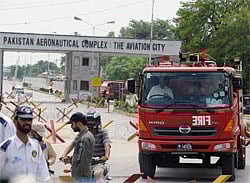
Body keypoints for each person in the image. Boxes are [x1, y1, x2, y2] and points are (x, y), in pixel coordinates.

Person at [0, 106, 50, 183]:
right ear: (15, 122)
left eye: (29, 119)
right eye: (23, 119)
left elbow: (43, 174)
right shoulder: (5, 147)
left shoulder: (36, 146)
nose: (27, 122)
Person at [60, 112, 95, 182]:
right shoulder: (82, 135)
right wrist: (66, 157)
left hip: (81, 176)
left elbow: (83, 162)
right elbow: (73, 145)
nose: (71, 126)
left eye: (72, 124)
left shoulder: (85, 139)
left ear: (79, 123)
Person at [86, 110, 112, 182]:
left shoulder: (102, 133)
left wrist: (106, 156)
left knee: (98, 174)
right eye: (88, 121)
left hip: (98, 163)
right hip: (85, 163)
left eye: (92, 121)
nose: (90, 123)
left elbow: (106, 144)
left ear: (97, 121)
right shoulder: (84, 134)